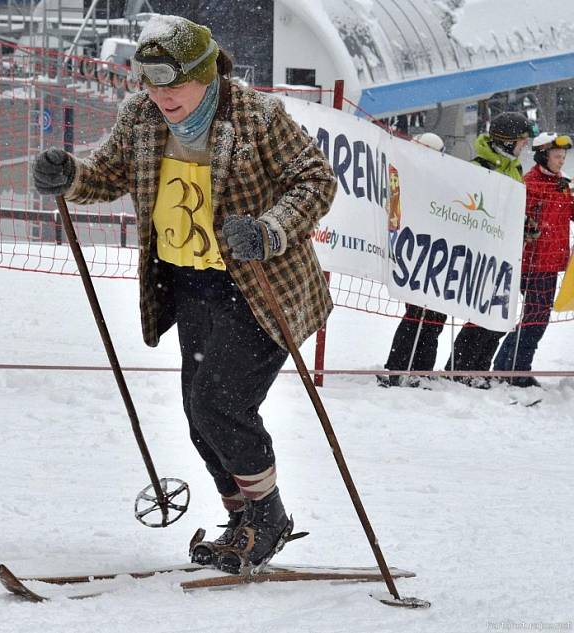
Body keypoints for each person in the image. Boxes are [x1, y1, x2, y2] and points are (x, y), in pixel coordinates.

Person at [32, 15, 337, 574]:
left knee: (219, 404)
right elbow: (107, 172)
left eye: (173, 84)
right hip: (191, 285)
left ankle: (269, 518)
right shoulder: (143, 118)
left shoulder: (256, 118)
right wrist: (70, 176)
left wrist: (270, 228)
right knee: (200, 418)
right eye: (151, 84)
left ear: (205, 74)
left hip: (259, 287)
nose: (162, 96)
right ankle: (241, 518)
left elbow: (316, 180)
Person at [443, 112, 535, 387]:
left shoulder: (514, 168)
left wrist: (524, 224)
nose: (523, 147)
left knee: (500, 315)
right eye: (520, 142)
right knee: (481, 313)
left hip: (508, 254)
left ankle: (480, 366)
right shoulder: (481, 167)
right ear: (506, 143)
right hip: (485, 253)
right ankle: (460, 368)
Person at [493, 133, 574, 387]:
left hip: (550, 263)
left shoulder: (561, 184)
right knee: (536, 318)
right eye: (557, 157)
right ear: (542, 156)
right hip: (533, 263)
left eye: (563, 157)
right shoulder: (530, 184)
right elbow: (517, 221)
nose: (561, 161)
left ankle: (505, 365)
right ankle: (518, 370)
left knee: (533, 317)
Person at [380, 133, 448, 387]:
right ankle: (399, 365)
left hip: (435, 252)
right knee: (417, 313)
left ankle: (421, 366)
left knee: (435, 314)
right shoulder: (403, 175)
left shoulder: (441, 178)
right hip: (414, 252)